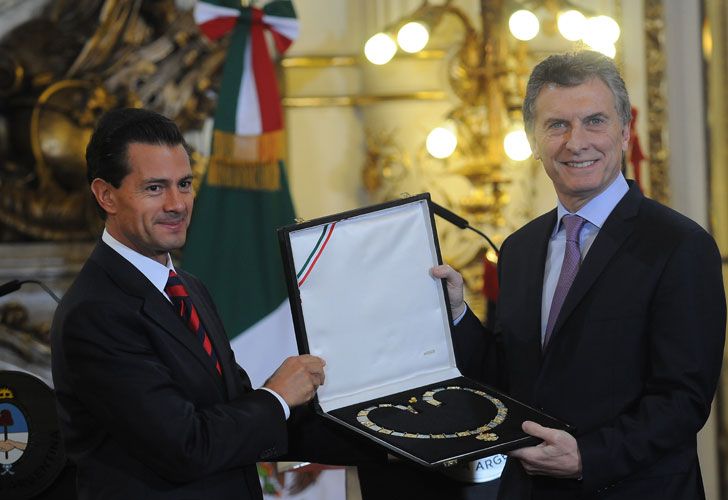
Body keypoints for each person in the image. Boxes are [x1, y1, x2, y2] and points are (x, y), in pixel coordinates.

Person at [434, 50, 726, 500]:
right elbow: (507, 377)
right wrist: (456, 315)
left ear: (625, 131)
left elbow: (682, 400)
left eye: (594, 121)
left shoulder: (678, 245)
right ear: (533, 139)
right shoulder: (518, 250)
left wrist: (588, 456)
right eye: (557, 125)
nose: (576, 142)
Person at [50, 108, 371, 499]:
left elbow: (236, 418)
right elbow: (185, 447)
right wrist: (277, 397)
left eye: (184, 184)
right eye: (155, 188)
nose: (177, 203)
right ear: (106, 195)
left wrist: (381, 429)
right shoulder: (95, 311)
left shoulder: (189, 287)